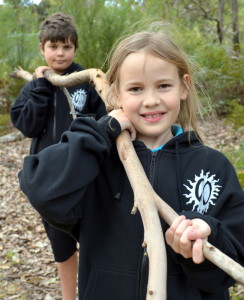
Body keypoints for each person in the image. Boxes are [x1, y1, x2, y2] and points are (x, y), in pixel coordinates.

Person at [18, 22, 243, 299]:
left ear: (184, 87)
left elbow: (233, 261)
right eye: (136, 89)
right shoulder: (98, 162)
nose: (150, 100)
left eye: (163, 86)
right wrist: (101, 132)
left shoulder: (213, 167)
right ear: (115, 94)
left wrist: (205, 239)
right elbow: (41, 189)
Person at [10, 12, 106, 300]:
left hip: (87, 177)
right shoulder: (35, 86)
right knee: (61, 245)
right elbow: (26, 126)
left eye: (66, 46)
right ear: (42, 48)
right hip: (51, 182)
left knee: (93, 239)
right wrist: (39, 86)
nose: (60, 53)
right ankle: (68, 297)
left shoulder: (87, 82)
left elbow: (104, 122)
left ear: (74, 48)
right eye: (53, 47)